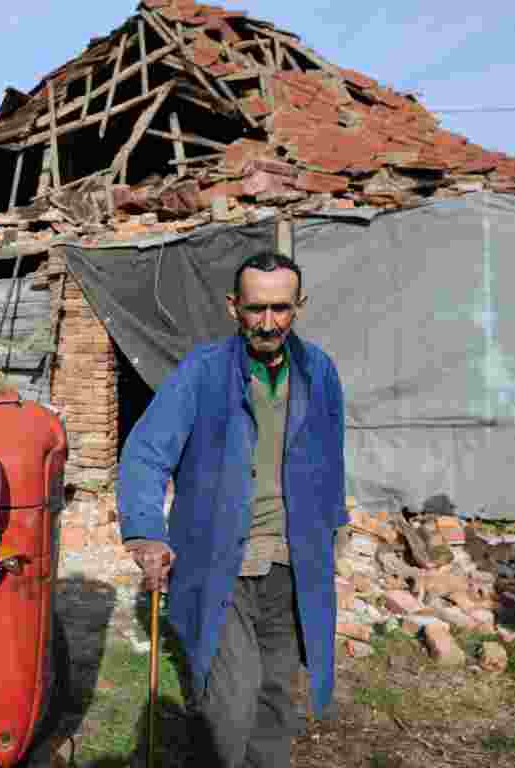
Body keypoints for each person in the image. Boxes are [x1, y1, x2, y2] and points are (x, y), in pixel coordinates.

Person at [117, 251, 347, 768]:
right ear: (232, 307)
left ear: (299, 307)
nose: (268, 323)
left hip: (292, 564)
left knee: (275, 701)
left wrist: (335, 529)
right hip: (222, 564)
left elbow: (331, 456)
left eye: (281, 309)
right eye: (256, 309)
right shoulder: (202, 372)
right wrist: (145, 531)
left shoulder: (320, 373)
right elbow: (146, 453)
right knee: (229, 704)